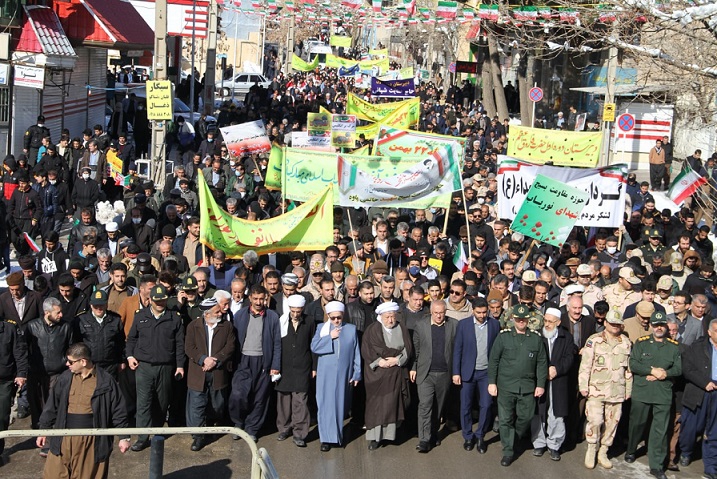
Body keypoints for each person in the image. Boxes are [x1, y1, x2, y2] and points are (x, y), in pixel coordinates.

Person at [37, 342, 130, 478]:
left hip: (91, 440)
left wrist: (123, 437)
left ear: (83, 361)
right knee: (54, 474)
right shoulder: (64, 378)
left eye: (71, 362)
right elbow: (51, 406)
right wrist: (43, 430)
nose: (67, 364)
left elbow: (118, 410)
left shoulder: (105, 381)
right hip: (63, 437)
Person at [126, 285, 185, 452]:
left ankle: (158, 432)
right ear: (150, 300)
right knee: (143, 403)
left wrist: (180, 366)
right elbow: (131, 339)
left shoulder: (174, 318)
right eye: (157, 301)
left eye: (163, 300)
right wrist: (130, 356)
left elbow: (179, 344)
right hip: (144, 367)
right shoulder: (140, 316)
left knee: (162, 402)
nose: (160, 303)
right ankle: (142, 437)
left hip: (165, 367)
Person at [488, 304, 548, 466]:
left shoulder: (535, 338)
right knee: (505, 419)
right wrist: (492, 382)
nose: (521, 321)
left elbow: (542, 363)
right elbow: (493, 361)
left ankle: (512, 438)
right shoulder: (504, 337)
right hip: (506, 386)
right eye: (518, 319)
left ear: (528, 320)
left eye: (524, 319)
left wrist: (540, 384)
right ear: (513, 319)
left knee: (526, 417)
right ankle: (508, 451)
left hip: (527, 387)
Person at [625, 311, 682, 479]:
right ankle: (631, 449)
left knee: (660, 430)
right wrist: (652, 371)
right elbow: (633, 364)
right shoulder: (641, 343)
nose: (659, 328)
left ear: (666, 326)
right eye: (656, 325)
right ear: (650, 326)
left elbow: (678, 369)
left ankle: (656, 465)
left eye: (662, 325)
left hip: (663, 392)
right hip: (642, 390)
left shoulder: (673, 346)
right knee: (637, 424)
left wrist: (664, 373)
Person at [579, 309, 633, 469]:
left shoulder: (626, 343)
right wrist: (583, 386)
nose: (615, 326)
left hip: (617, 391)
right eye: (612, 323)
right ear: (605, 323)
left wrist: (628, 390)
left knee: (612, 424)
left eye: (618, 324)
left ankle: (603, 451)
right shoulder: (594, 340)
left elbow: (628, 370)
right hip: (596, 389)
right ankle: (591, 449)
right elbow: (585, 365)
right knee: (595, 421)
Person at [229, 284, 281, 442]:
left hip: (263, 362)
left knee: (260, 398)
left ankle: (252, 429)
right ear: (250, 298)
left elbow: (277, 343)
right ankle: (238, 424)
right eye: (256, 298)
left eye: (261, 299)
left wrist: (275, 365)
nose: (259, 302)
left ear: (266, 299)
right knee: (238, 395)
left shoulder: (272, 317)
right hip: (243, 360)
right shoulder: (240, 315)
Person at [185, 298, 235, 452]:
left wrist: (216, 360)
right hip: (198, 373)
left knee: (217, 404)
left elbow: (230, 346)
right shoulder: (193, 326)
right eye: (217, 312)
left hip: (217, 373)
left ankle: (211, 426)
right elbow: (189, 347)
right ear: (207, 314)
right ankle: (198, 436)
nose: (220, 314)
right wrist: (203, 359)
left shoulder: (227, 326)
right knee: (196, 406)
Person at [361, 301, 413, 451]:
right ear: (381, 317)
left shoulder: (401, 328)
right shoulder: (372, 330)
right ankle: (375, 438)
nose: (390, 320)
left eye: (392, 317)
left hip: (396, 372)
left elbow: (408, 348)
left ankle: (390, 435)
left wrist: (397, 360)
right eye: (387, 317)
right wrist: (380, 362)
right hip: (378, 374)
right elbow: (367, 350)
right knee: (377, 406)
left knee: (392, 405)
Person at [311, 301, 361, 451]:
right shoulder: (322, 328)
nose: (336, 321)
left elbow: (356, 352)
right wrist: (329, 337)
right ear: (328, 316)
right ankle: (326, 439)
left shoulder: (350, 329)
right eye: (333, 318)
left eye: (339, 317)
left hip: (343, 373)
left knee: (339, 405)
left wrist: (357, 373)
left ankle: (337, 436)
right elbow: (314, 347)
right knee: (325, 404)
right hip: (326, 374)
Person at [452, 297, 500, 454]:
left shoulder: (494, 324)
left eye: (484, 312)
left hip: (486, 373)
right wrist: (456, 372)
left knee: (486, 405)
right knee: (465, 406)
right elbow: (457, 349)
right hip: (468, 372)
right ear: (473, 311)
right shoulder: (463, 325)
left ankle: (480, 436)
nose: (482, 315)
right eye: (479, 312)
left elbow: (497, 350)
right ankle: (467, 436)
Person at [411, 300, 456, 453]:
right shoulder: (421, 325)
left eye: (441, 313)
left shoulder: (454, 325)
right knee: (425, 405)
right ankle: (424, 440)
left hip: (444, 373)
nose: (438, 316)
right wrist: (414, 367)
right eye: (435, 313)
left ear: (445, 312)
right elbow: (415, 349)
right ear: (431, 312)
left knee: (438, 407)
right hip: (426, 373)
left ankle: (433, 433)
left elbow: (457, 350)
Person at [531, 308, 575, 461]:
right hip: (540, 380)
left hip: (558, 380)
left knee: (556, 413)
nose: (547, 324)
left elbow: (569, 358)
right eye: (545, 320)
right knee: (539, 411)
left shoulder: (566, 337)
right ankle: (539, 442)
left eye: (551, 321)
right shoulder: (537, 335)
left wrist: (557, 369)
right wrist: (544, 370)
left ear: (559, 322)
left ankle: (554, 444)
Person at [275, 294, 316, 448]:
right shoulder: (281, 322)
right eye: (293, 311)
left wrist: (314, 367)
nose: (296, 314)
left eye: (298, 311)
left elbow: (313, 345)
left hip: (302, 367)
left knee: (300, 401)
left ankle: (300, 433)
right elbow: (275, 345)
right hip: (284, 367)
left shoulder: (310, 321)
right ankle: (284, 429)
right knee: (284, 401)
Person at [678, 318, 717, 472]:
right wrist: (704, 382)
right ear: (709, 332)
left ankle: (711, 466)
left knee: (714, 430)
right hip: (700, 391)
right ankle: (686, 452)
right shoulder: (697, 347)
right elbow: (687, 368)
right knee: (691, 426)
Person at [75, 290, 125, 379]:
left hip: (110, 365)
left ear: (106, 304)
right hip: (89, 365)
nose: (98, 308)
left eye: (101, 305)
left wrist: (122, 361)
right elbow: (76, 343)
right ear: (91, 305)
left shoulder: (115, 319)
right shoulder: (81, 320)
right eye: (95, 306)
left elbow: (121, 343)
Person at [0, 314, 28, 460]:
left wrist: (21, 373)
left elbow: (19, 352)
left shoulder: (9, 329)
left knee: (1, 416)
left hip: (4, 381)